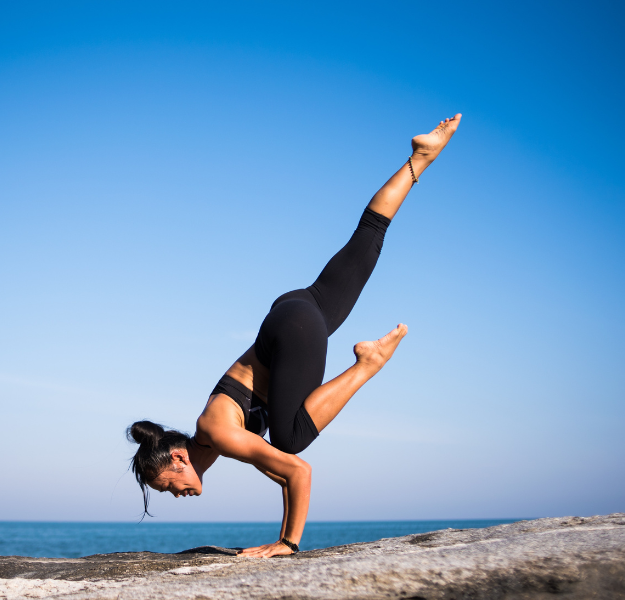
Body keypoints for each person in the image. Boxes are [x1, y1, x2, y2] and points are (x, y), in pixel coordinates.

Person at [126, 114, 462, 558]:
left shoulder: (218, 433)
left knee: (290, 439)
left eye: (168, 487)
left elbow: (296, 470)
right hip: (294, 312)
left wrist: (287, 543)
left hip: (294, 332)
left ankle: (367, 364)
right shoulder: (213, 437)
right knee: (368, 238)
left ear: (178, 460)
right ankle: (421, 157)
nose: (175, 495)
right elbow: (280, 474)